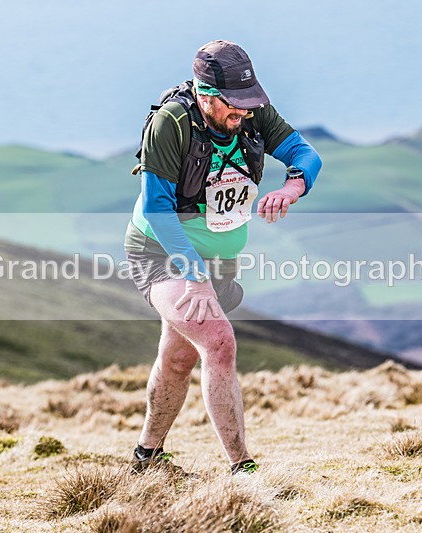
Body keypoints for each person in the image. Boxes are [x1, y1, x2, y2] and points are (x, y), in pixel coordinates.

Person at [124, 40, 322, 476]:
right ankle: (242, 470)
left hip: (219, 260)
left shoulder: (251, 110)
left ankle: (146, 459)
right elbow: (157, 209)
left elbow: (306, 155)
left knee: (178, 358)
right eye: (233, 103)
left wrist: (292, 187)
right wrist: (194, 275)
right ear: (205, 93)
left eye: (248, 102)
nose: (243, 112)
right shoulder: (170, 123)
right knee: (218, 342)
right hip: (163, 252)